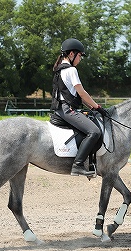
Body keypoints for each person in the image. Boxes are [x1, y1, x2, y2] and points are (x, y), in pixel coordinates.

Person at [51, 38, 106, 177]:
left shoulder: (59, 69)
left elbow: (77, 96)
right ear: (71, 54)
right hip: (67, 110)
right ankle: (78, 165)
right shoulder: (71, 70)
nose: (80, 59)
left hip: (61, 108)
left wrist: (93, 108)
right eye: (80, 55)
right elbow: (82, 93)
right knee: (94, 132)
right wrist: (97, 107)